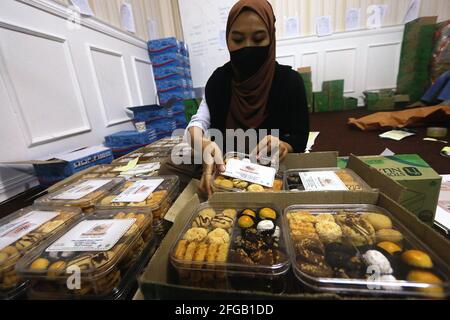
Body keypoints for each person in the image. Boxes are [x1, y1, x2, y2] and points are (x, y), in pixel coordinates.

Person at [161, 0, 310, 196]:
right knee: (169, 167)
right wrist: (204, 145)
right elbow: (197, 124)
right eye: (238, 40)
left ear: (271, 38)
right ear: (227, 39)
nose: (247, 47)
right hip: (225, 162)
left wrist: (284, 145)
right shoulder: (219, 80)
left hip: (269, 164)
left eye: (258, 39)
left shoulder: (290, 82)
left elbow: (299, 138)